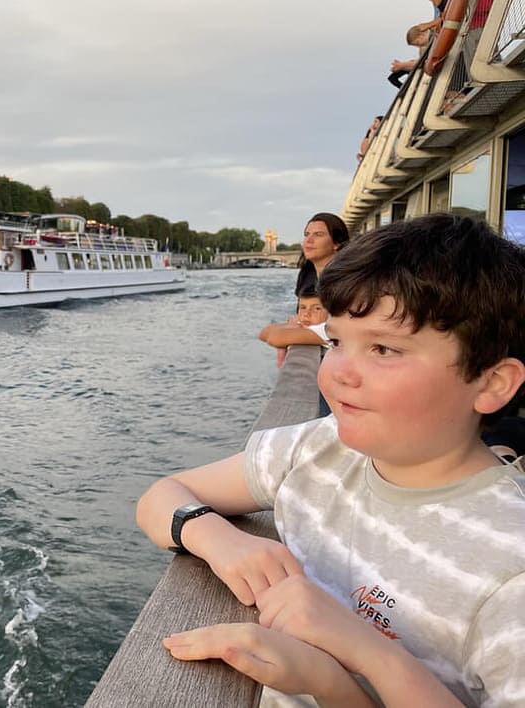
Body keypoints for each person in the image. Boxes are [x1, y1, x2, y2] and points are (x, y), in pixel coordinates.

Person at [136, 214, 525, 706]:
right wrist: (221, 541)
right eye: (336, 342)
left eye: (383, 348)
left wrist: (353, 664)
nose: (340, 372)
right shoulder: (319, 448)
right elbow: (159, 497)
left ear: (491, 383)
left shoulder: (510, 571)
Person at [259, 290, 329, 369]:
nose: (306, 313)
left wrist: (291, 326)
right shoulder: (307, 324)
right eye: (303, 307)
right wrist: (293, 326)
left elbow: (273, 338)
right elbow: (263, 333)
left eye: (317, 308)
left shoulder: (328, 330)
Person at [293, 213, 349, 300]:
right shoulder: (306, 275)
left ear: (337, 243)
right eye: (307, 234)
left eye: (318, 234)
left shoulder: (349, 280)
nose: (309, 240)